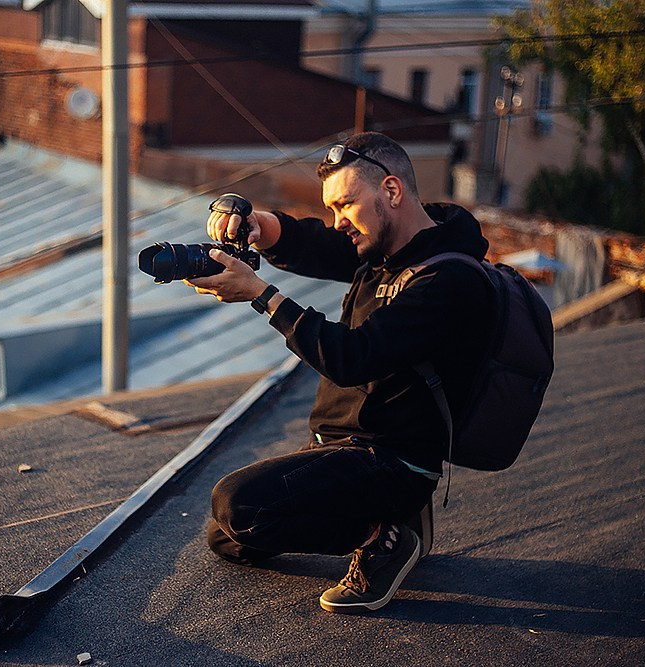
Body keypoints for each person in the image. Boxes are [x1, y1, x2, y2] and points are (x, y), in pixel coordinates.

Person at [185, 131, 493, 613]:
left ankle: (385, 537)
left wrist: (261, 295)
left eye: (345, 204)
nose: (338, 221)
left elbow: (353, 358)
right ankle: (382, 519)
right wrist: (256, 224)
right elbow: (316, 244)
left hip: (392, 460)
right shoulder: (384, 246)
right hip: (339, 446)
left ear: (391, 191)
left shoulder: (448, 279)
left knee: (237, 503)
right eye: (331, 208)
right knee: (228, 536)